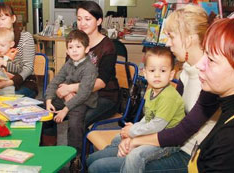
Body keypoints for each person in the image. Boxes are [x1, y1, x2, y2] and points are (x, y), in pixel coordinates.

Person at [86, 5, 219, 172]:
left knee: (99, 167)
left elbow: (181, 132)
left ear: (189, 39)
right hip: (169, 139)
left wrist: (136, 139)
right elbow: (169, 117)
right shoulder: (186, 71)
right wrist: (136, 136)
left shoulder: (210, 78)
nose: (167, 43)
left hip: (189, 154)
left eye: (171, 36)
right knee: (93, 159)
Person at [88, 46, 186, 173]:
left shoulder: (169, 96)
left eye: (162, 71)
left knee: (137, 154)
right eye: (152, 70)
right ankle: (120, 154)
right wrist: (134, 128)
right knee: (118, 138)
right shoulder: (151, 91)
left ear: (171, 74)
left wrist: (133, 131)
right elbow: (148, 117)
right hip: (153, 134)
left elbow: (157, 126)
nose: (157, 75)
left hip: (166, 142)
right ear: (144, 73)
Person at [55, 1, 119, 128]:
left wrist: (71, 89)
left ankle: (76, 149)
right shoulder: (75, 43)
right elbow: (66, 73)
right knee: (46, 109)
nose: (82, 23)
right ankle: (49, 147)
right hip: (77, 92)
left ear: (99, 21)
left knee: (78, 118)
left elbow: (100, 82)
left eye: (87, 19)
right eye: (79, 19)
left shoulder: (108, 47)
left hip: (104, 96)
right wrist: (68, 93)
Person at [189, 18, 234, 172]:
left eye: (211, 59)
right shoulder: (226, 109)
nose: (199, 65)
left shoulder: (229, 138)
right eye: (204, 54)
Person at [44, 29, 98, 157]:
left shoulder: (89, 67)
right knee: (43, 111)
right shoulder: (69, 63)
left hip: (84, 101)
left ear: (86, 49)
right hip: (66, 97)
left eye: (78, 47)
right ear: (67, 51)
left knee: (74, 124)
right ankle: (47, 146)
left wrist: (65, 110)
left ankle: (75, 157)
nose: (74, 50)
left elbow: (84, 94)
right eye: (71, 47)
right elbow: (55, 81)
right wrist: (48, 100)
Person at [0, 3, 37, 98]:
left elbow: (28, 68)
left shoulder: (25, 37)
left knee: (10, 100)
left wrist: (9, 83)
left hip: (24, 83)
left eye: (3, 19)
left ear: (13, 19)